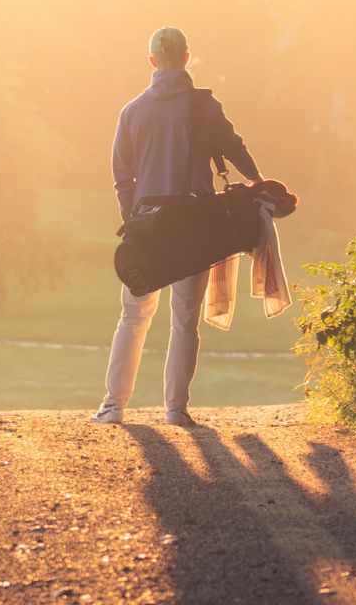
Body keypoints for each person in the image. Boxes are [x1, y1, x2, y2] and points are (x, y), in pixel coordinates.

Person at [92, 25, 263, 427]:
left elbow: (122, 175)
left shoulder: (132, 110)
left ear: (152, 61)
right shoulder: (205, 106)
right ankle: (175, 408)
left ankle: (114, 406)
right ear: (187, 57)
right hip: (195, 223)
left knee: (134, 317)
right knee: (185, 316)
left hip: (147, 224)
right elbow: (234, 147)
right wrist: (258, 181)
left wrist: (131, 220)